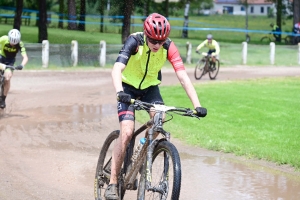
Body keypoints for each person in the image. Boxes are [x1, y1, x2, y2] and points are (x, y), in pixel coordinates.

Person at [105, 13, 207, 199]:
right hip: (127, 88)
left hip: (150, 89)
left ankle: (140, 155)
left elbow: (183, 77)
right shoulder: (134, 41)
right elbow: (117, 69)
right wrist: (120, 92)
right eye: (153, 39)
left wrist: (197, 105)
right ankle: (112, 182)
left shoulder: (168, 47)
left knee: (158, 121)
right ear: (146, 34)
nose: (157, 45)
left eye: (161, 41)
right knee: (127, 132)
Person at [0, 29, 27, 109]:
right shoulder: (3, 39)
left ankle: (3, 99)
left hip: (10, 61)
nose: (12, 44)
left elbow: (25, 57)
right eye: (11, 42)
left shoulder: (20, 44)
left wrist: (22, 65)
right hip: (1, 57)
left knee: (7, 78)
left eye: (15, 43)